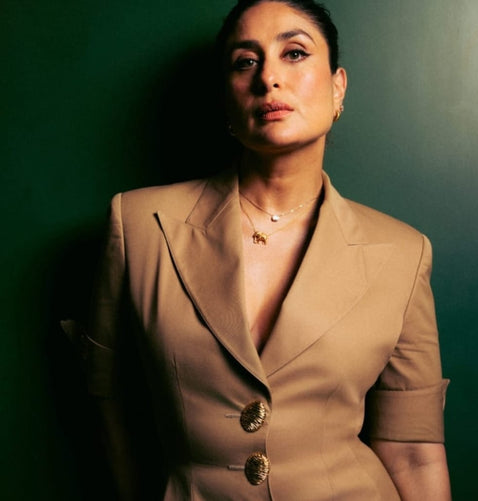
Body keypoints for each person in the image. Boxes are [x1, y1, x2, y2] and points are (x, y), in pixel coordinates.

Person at [80, 0, 452, 499]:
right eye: (246, 62)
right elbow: (109, 405)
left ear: (338, 87)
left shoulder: (403, 254)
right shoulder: (138, 225)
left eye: (294, 53)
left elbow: (413, 451)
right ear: (226, 97)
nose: (269, 79)